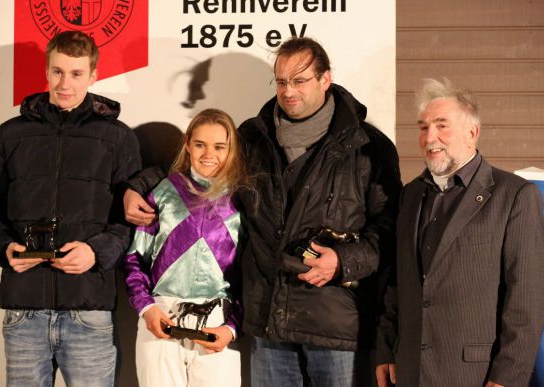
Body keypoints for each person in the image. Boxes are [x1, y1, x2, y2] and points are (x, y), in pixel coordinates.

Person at [124, 37, 402, 386]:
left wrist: (344, 260)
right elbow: (201, 167)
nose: (288, 91)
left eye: (299, 80)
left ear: (325, 79)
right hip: (269, 324)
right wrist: (139, 185)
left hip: (334, 325)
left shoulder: (369, 147)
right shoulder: (254, 138)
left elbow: (391, 228)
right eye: (282, 81)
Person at [0, 31, 141, 386]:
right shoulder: (10, 134)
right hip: (23, 310)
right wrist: (4, 249)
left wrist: (96, 252)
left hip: (88, 309)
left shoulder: (118, 137)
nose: (65, 83)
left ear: (93, 75)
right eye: (58, 72)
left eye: (76, 73)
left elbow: (132, 217)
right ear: (47, 71)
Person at [375, 78, 544, 387]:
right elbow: (397, 281)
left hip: (475, 376)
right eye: (423, 127)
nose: (430, 138)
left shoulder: (515, 196)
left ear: (473, 133)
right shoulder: (410, 195)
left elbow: (527, 298)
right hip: (409, 371)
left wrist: (508, 377)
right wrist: (387, 348)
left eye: (442, 126)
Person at [123, 108, 247, 387]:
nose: (208, 154)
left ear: (231, 150)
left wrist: (231, 327)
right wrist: (147, 309)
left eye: (219, 147)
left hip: (217, 321)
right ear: (188, 144)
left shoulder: (242, 202)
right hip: (162, 317)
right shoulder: (163, 192)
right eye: (200, 144)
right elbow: (134, 259)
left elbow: (249, 275)